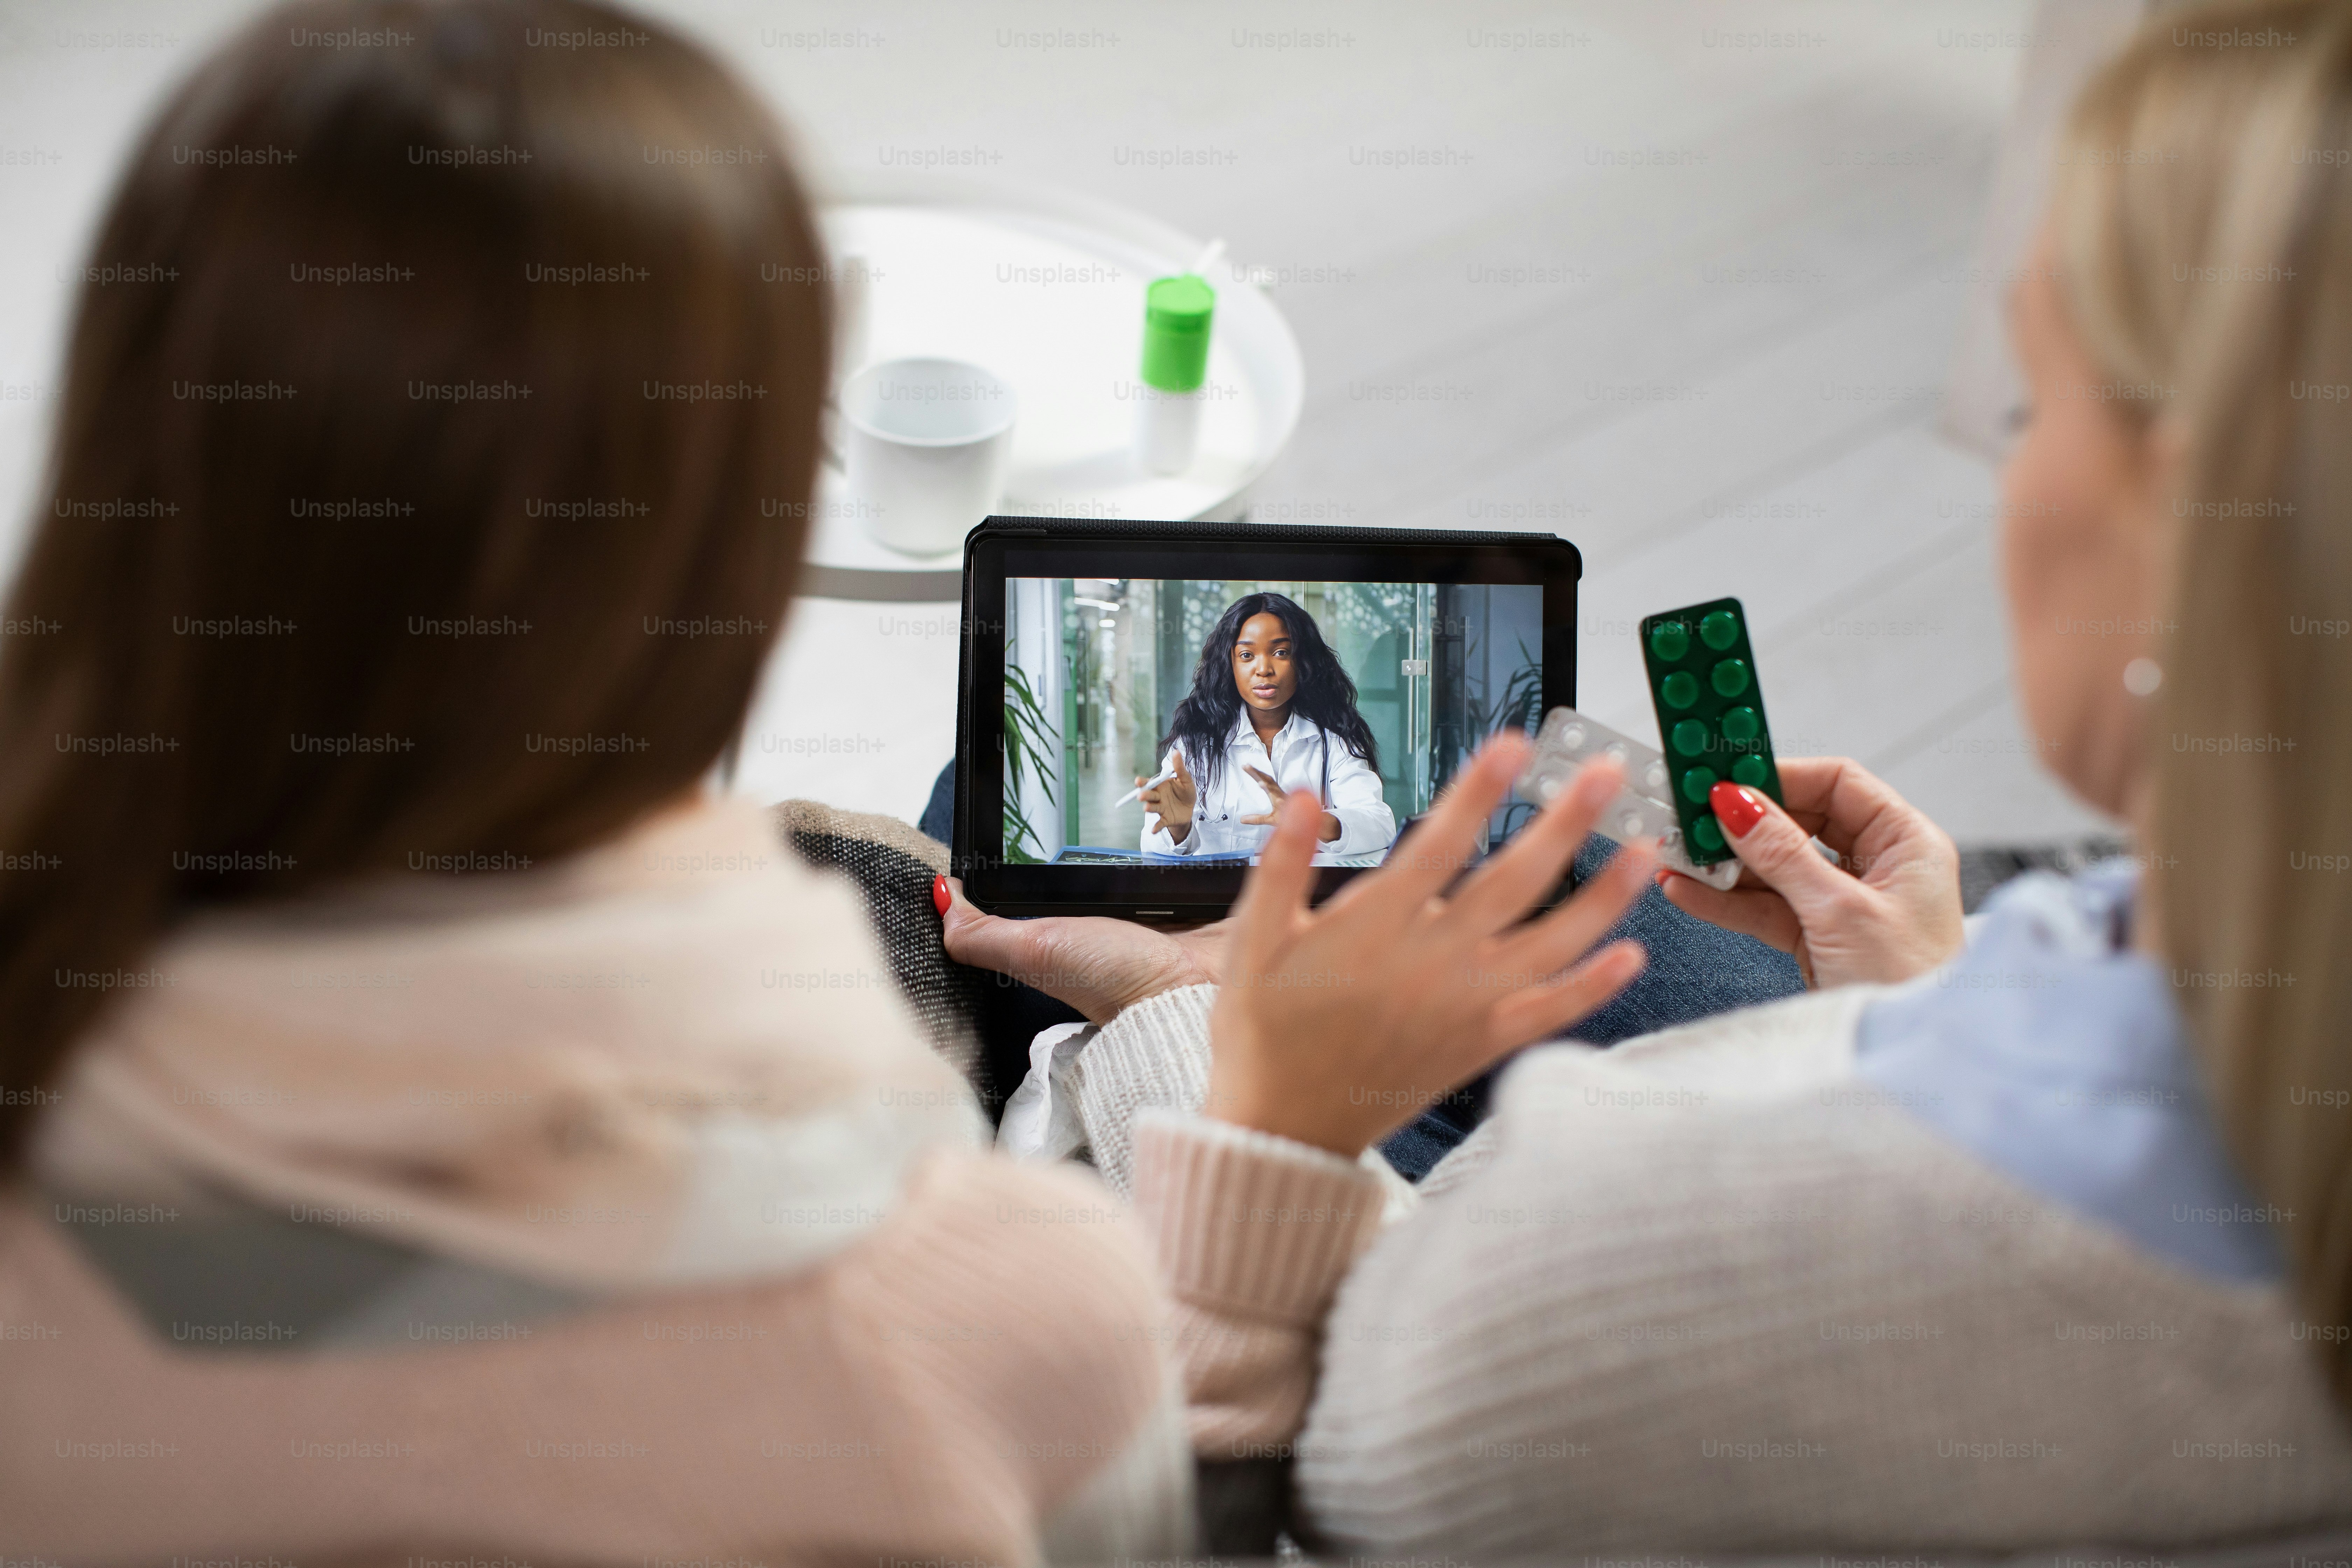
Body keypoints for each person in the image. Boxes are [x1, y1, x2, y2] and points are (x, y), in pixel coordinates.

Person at [944, 0, 2352, 1554]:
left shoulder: (1608, 1277)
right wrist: (1906, 997)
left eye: (2035, 405)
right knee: (1548, 817)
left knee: (972, 821)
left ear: (2187, 534)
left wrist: (1191, 1041)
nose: (2016, 478)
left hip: (1465, 1297)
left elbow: (1292, 1483)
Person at [1138, 591, 1396, 863]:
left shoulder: (1335, 738)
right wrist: (1178, 827)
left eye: (1281, 652)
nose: (1264, 669)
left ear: (1303, 662)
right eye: (1247, 655)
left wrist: (1313, 821)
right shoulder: (1195, 741)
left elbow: (1378, 824)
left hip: (1307, 896)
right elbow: (1153, 852)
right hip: (1219, 897)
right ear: (1230, 665)